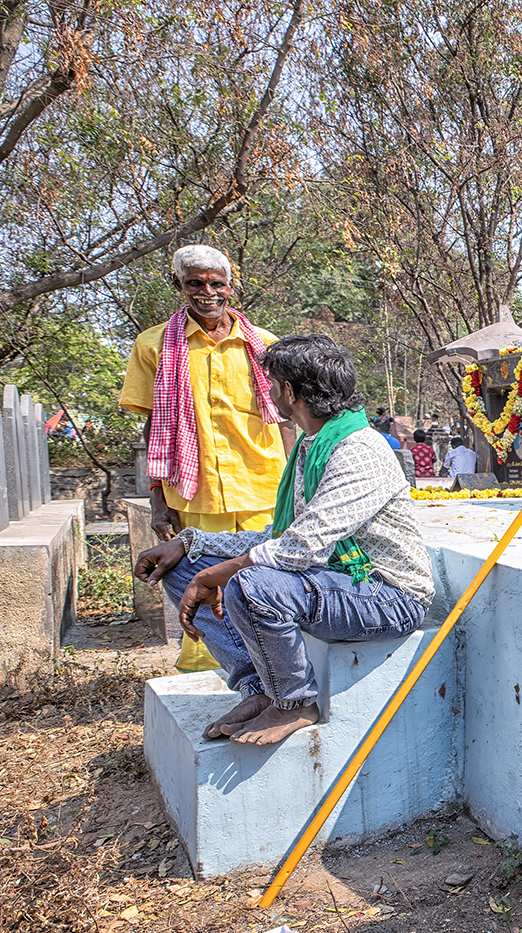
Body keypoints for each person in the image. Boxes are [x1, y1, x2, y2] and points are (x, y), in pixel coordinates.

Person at [132, 335, 433, 746]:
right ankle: (258, 688)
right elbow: (281, 538)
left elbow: (301, 548)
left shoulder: (359, 449)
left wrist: (223, 572)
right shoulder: (311, 445)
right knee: (181, 569)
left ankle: (295, 702)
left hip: (389, 596)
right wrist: (190, 543)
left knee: (253, 584)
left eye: (271, 383)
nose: (267, 391)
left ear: (289, 392)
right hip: (331, 581)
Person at [120, 244, 291, 673]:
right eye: (195, 282)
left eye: (217, 283)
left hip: (264, 486)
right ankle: (208, 668)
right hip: (193, 492)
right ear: (178, 284)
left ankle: (272, 665)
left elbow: (287, 420)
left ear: (231, 287)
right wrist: (157, 497)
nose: (207, 292)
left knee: (264, 581)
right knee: (199, 585)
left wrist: (299, 481)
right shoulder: (153, 344)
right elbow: (152, 426)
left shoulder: (265, 346)